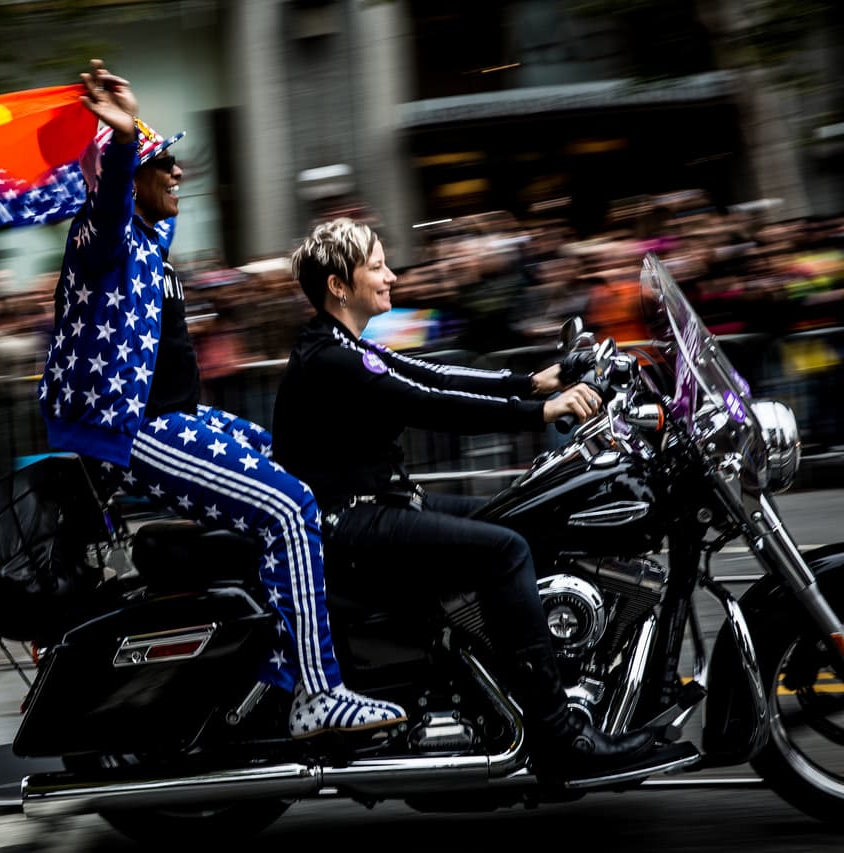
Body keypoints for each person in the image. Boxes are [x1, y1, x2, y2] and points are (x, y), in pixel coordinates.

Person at [36, 62, 405, 738]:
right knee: (287, 507)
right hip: (133, 430)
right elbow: (108, 202)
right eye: (163, 162)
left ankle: (276, 660)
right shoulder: (100, 240)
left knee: (306, 466)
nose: (177, 173)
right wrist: (120, 143)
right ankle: (317, 693)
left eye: (173, 161)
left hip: (182, 419)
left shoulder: (151, 244)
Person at [273, 217, 658, 778]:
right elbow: (430, 403)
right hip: (352, 521)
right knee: (504, 551)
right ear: (339, 285)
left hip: (382, 507)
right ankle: (558, 735)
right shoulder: (330, 359)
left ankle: (502, 687)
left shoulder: (341, 345)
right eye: (377, 266)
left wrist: (532, 382)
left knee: (520, 521)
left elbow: (436, 373)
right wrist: (539, 412)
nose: (392, 276)